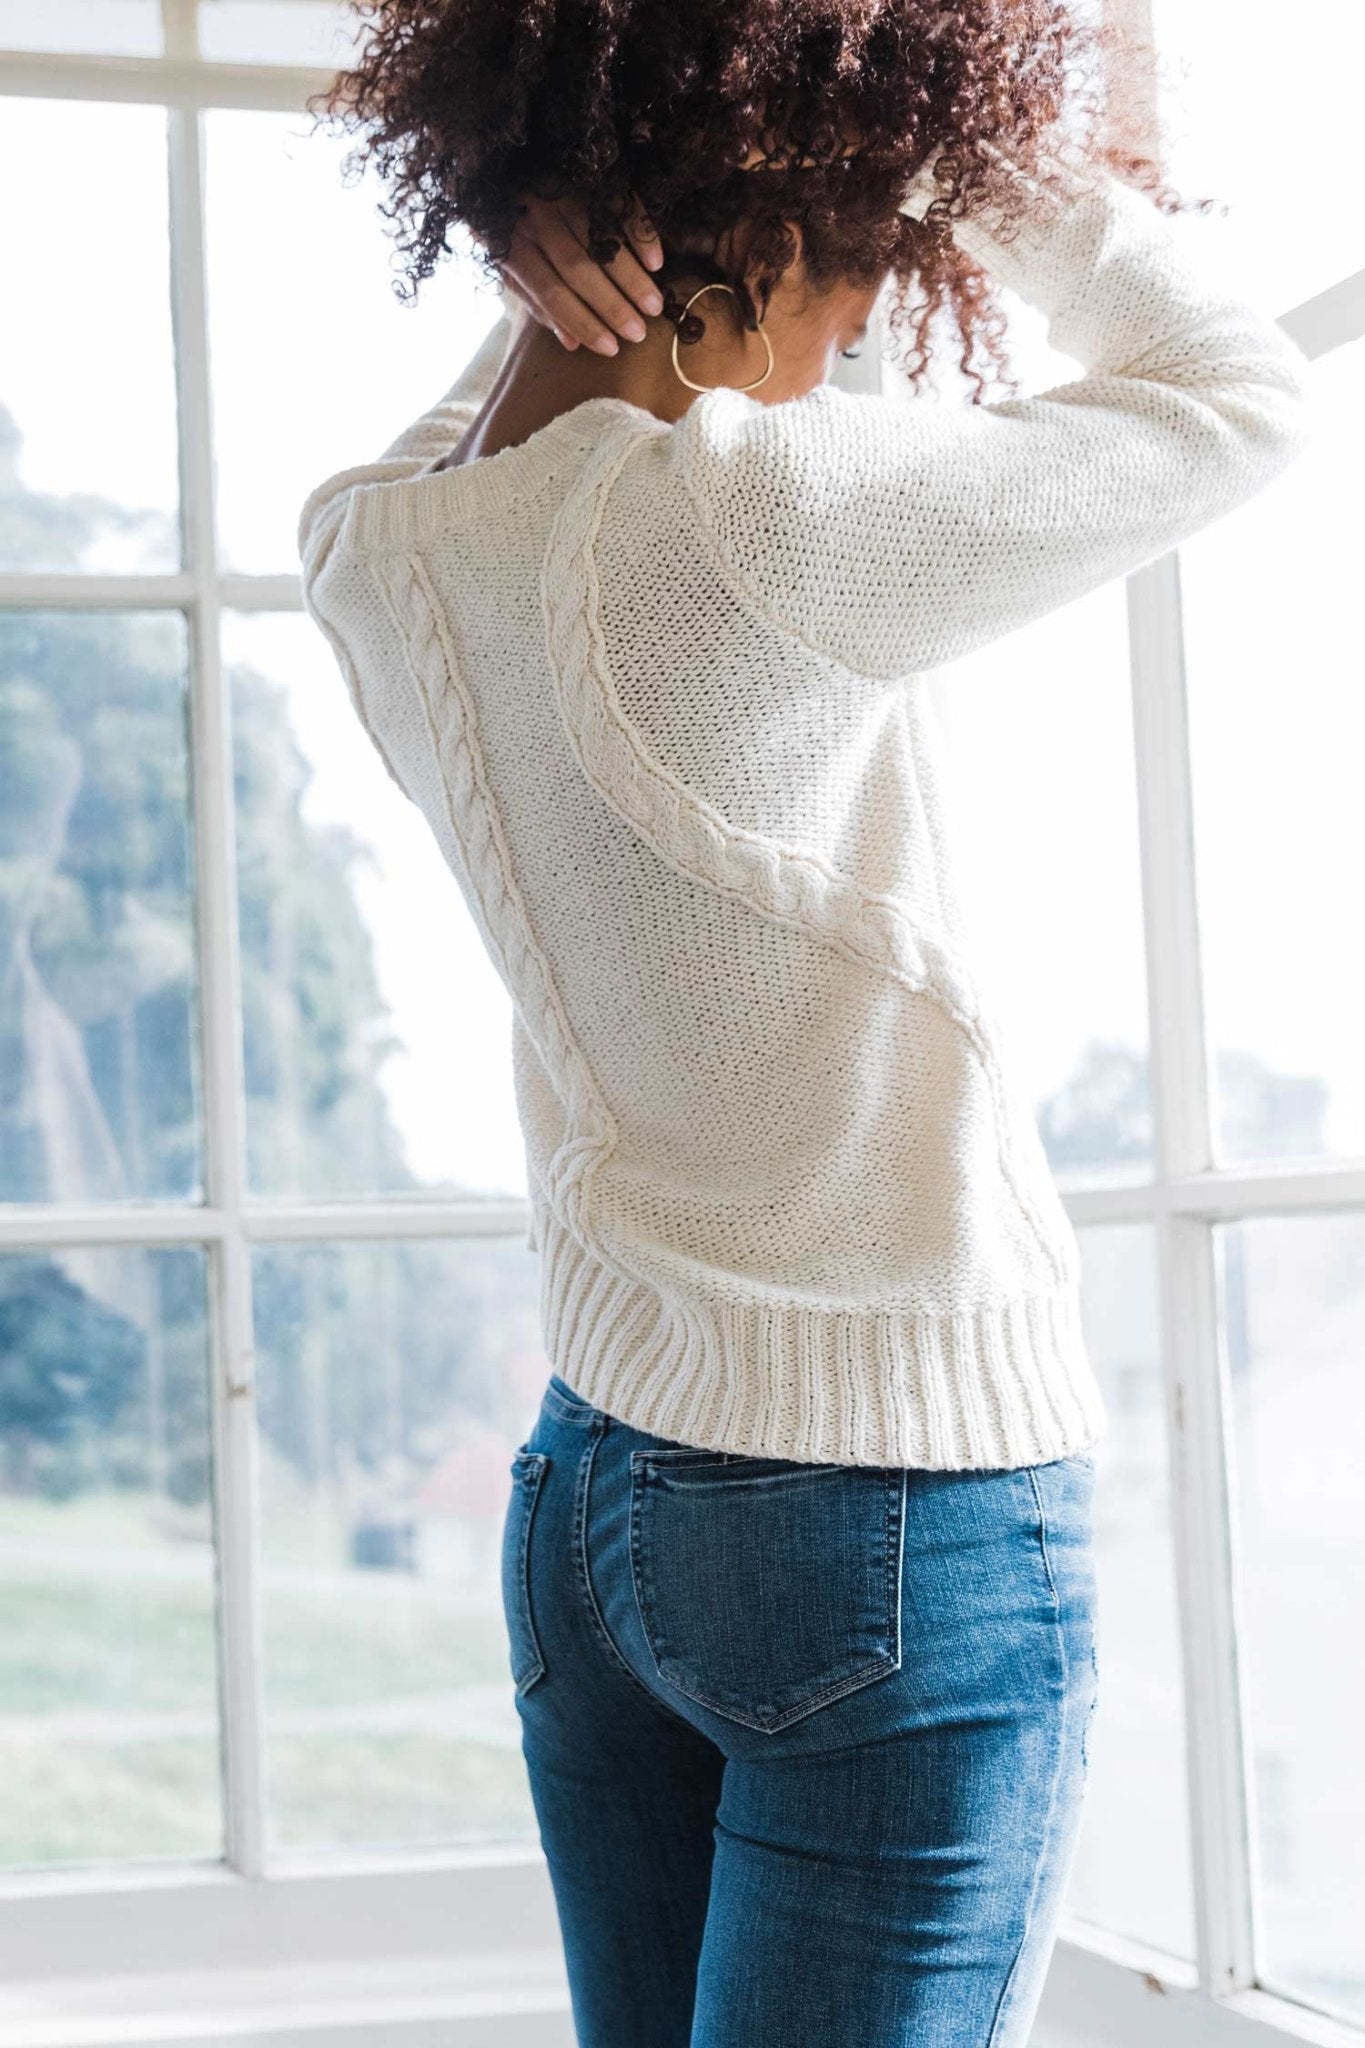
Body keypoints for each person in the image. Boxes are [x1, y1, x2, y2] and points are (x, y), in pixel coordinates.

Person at [298, 4, 1312, 2041]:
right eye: (849, 303)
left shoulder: (371, 551)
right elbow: (1233, 388)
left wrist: (543, 239)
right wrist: (931, 138)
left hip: (592, 1502)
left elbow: (475, 435)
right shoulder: (756, 524)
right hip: (883, 1502)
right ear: (743, 254)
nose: (840, 360)